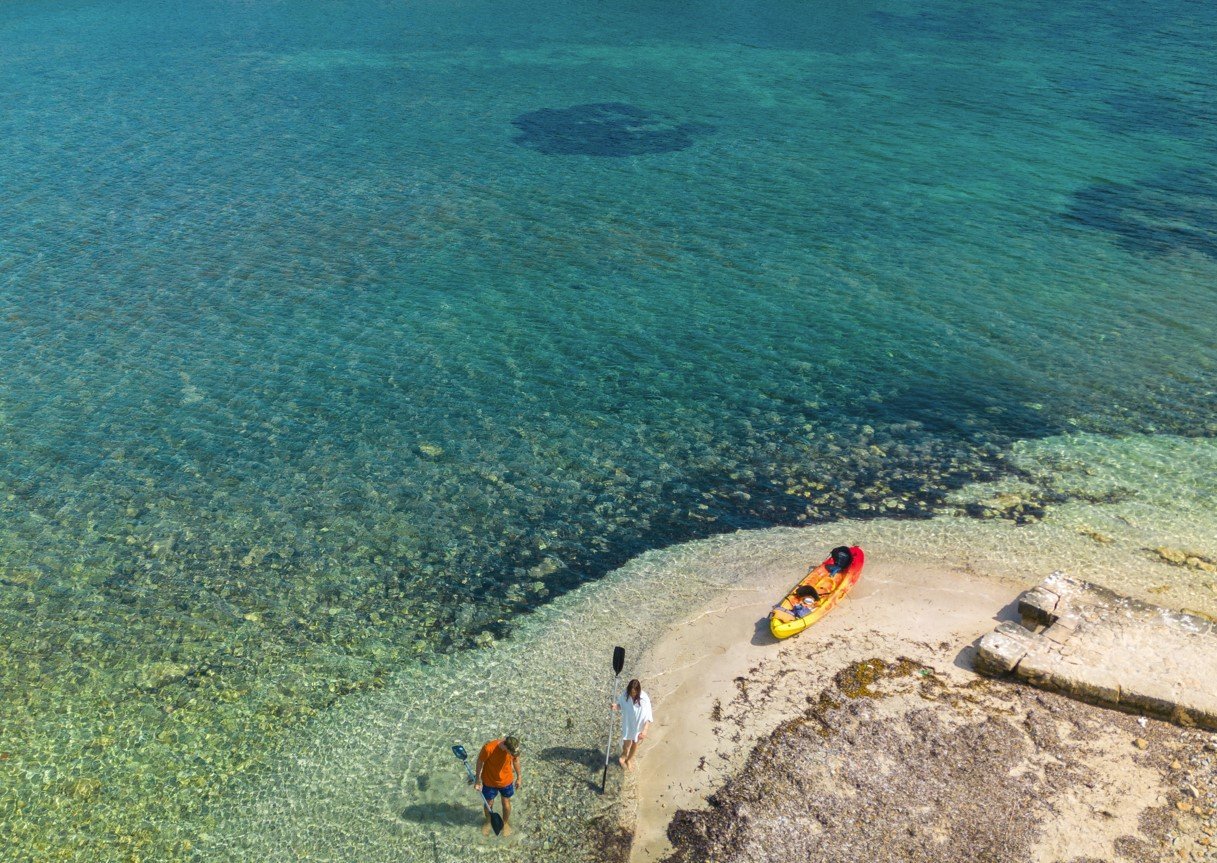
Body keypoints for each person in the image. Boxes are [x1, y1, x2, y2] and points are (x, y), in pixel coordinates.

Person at [475, 735, 521, 837]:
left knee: (506, 803)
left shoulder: (513, 748)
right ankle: (488, 821)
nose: (513, 755)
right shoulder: (489, 748)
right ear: (505, 746)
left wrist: (519, 777)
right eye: (511, 753)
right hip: (489, 781)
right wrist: (477, 780)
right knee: (488, 803)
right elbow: (480, 761)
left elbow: (516, 760)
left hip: (506, 781)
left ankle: (505, 823)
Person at [611, 679, 653, 772]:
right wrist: (616, 707)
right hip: (628, 724)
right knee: (626, 745)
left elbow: (649, 715)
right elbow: (621, 705)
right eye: (630, 692)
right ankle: (623, 756)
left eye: (634, 692)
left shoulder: (644, 698)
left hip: (639, 726)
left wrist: (645, 730)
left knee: (635, 743)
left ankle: (629, 760)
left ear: (638, 691)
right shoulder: (625, 695)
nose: (632, 694)